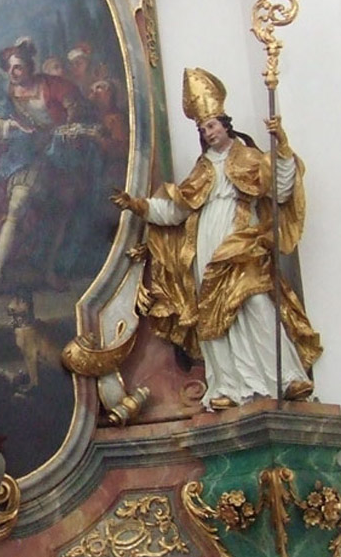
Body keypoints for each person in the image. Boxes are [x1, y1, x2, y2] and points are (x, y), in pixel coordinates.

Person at [112, 68, 321, 410]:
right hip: (206, 247)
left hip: (242, 242)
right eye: (202, 129)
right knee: (213, 315)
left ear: (225, 124)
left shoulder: (251, 158)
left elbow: (281, 190)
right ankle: (229, 386)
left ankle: (285, 378)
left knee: (256, 303)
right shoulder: (203, 168)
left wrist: (281, 146)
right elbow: (176, 210)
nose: (208, 133)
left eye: (211, 126)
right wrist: (138, 205)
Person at [0, 38, 97, 296]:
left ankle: (49, 270)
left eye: (18, 67)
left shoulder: (53, 85)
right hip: (28, 156)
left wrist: (70, 125)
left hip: (60, 156)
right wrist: (10, 125)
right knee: (16, 205)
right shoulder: (5, 92)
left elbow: (78, 109)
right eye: (9, 68)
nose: (13, 73)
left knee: (60, 211)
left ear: (30, 67)